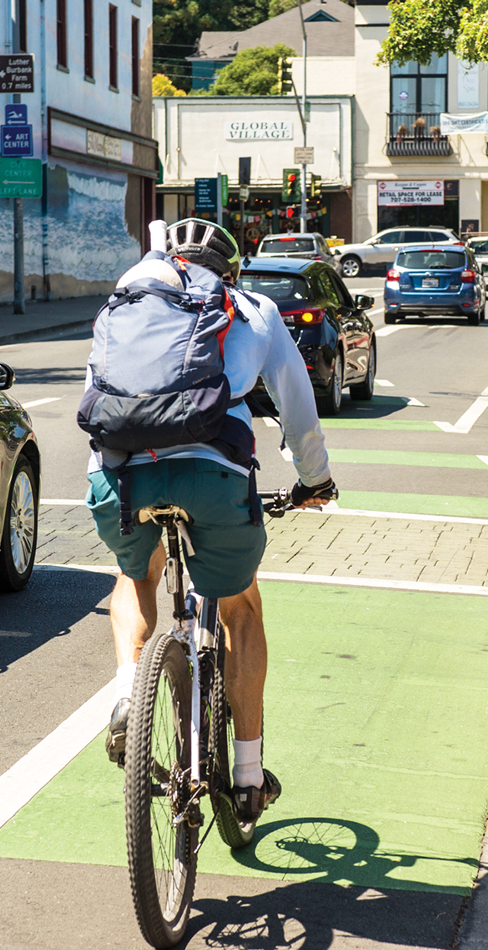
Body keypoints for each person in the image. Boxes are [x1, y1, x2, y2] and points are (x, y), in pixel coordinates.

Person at [84, 218, 336, 823]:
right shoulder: (250, 310)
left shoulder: (122, 303)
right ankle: (247, 776)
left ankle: (126, 695)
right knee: (240, 607)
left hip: (118, 478)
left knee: (134, 578)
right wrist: (312, 479)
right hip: (215, 479)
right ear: (230, 272)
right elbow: (297, 408)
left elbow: (96, 392)